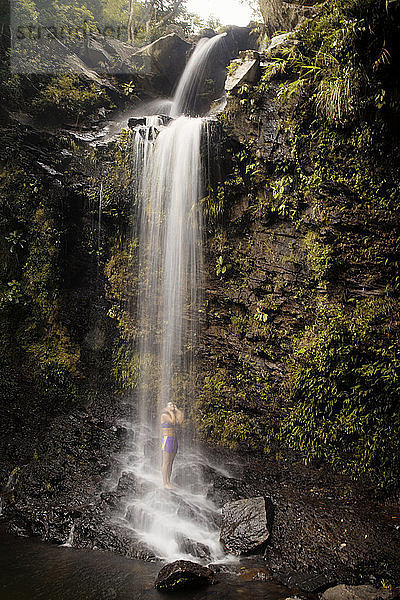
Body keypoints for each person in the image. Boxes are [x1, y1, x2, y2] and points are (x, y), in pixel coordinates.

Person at [160, 401, 184, 489]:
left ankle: (169, 481)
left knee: (171, 462)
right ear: (166, 407)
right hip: (167, 439)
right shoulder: (164, 415)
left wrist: (177, 410)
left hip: (174, 439)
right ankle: (164, 482)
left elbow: (180, 420)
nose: (172, 405)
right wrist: (170, 411)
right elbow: (173, 422)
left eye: (173, 404)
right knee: (166, 462)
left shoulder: (172, 414)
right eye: (170, 404)